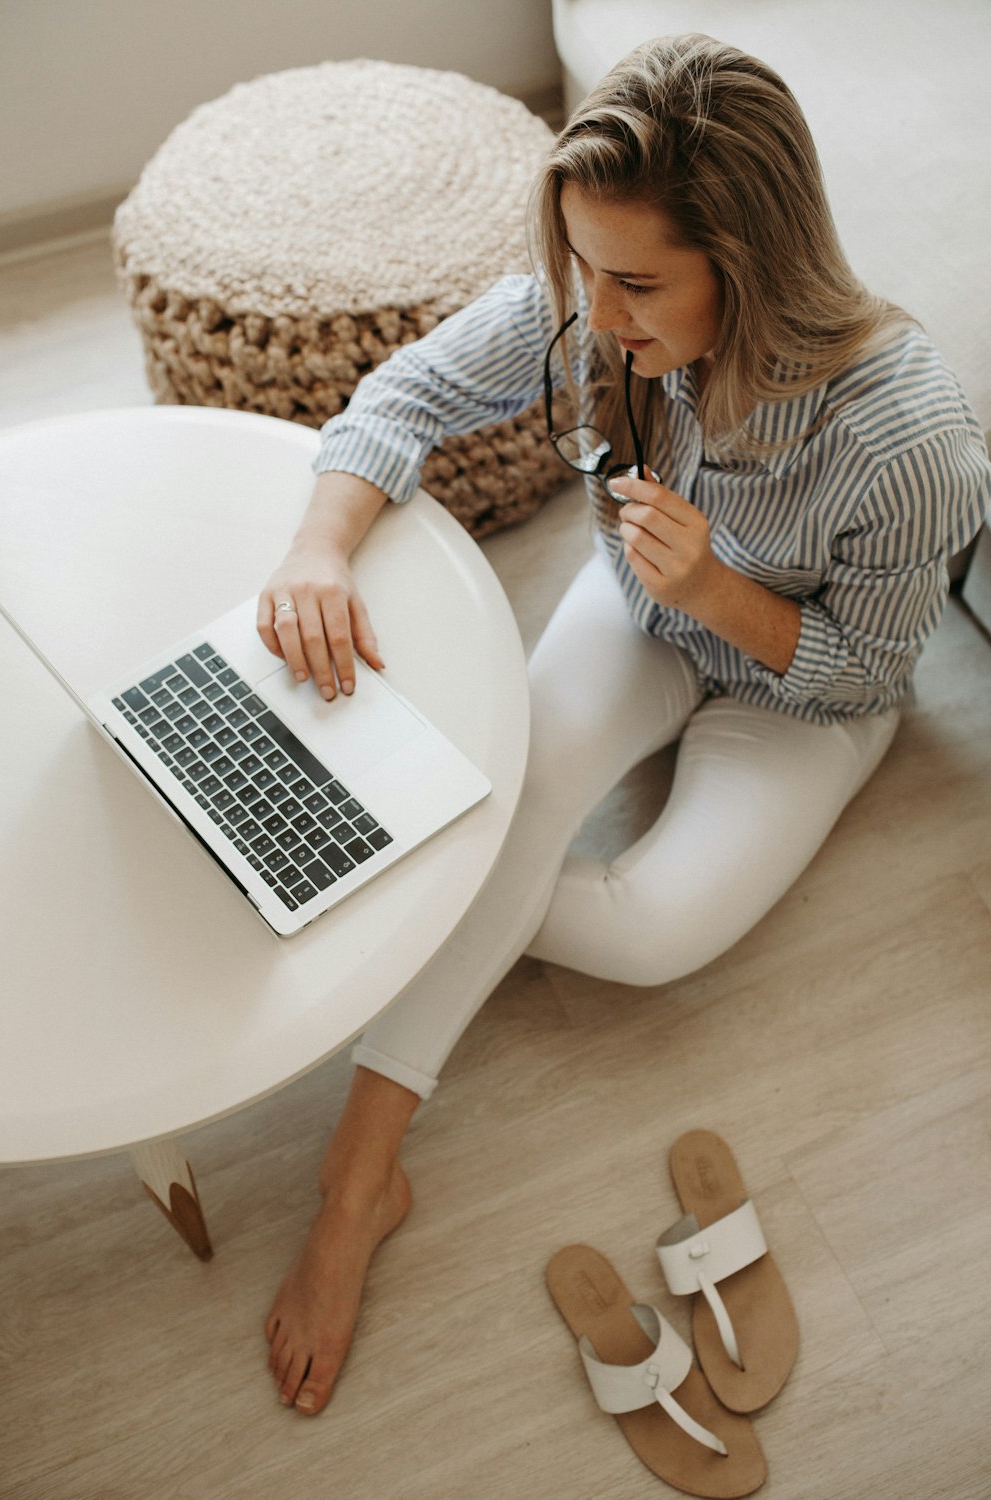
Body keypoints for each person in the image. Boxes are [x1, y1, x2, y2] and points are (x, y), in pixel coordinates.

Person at [256, 34, 990, 1414]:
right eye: (585, 267)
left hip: (800, 697)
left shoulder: (914, 443)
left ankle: (417, 858)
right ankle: (359, 1182)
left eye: (639, 283)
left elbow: (870, 674)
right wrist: (315, 546)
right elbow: (403, 397)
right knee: (509, 812)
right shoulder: (593, 308)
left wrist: (718, 584)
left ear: (750, 266)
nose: (598, 312)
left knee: (639, 931)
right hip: (645, 620)